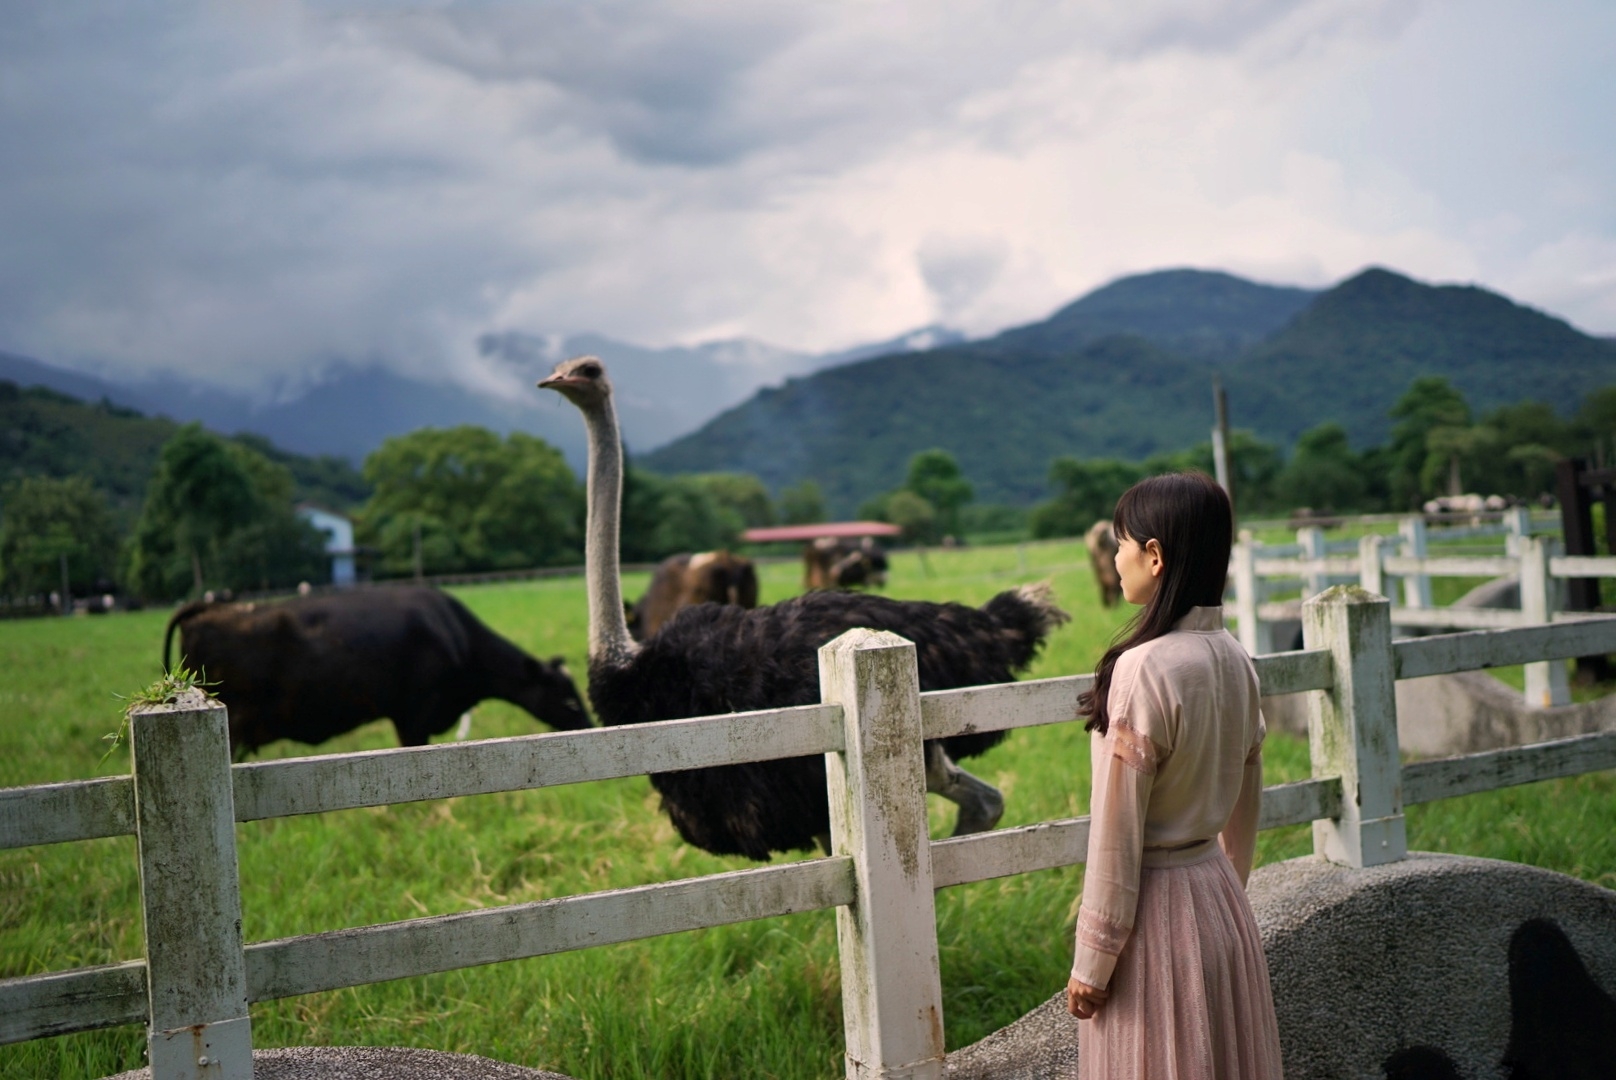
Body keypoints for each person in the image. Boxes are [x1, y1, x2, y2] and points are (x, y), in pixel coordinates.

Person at [1065, 472, 1283, 1078]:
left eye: (1122, 542)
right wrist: (1227, 889)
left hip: (1154, 921)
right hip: (1219, 902)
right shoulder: (1235, 658)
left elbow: (1116, 834)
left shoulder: (1144, 669)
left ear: (1154, 556)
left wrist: (1093, 962)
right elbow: (1245, 803)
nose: (1115, 557)